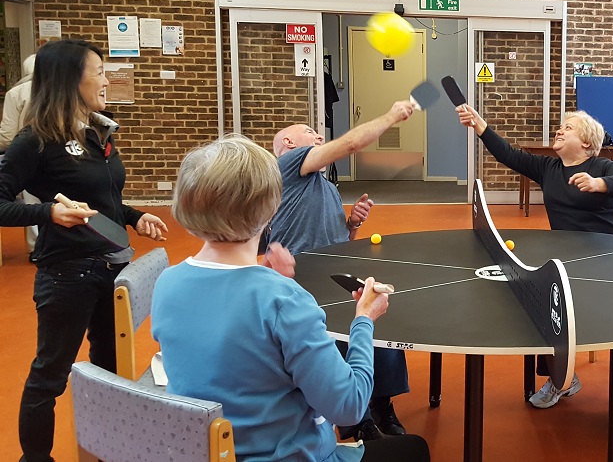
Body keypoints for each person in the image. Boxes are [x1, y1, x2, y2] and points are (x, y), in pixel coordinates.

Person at [152, 135, 429, 462]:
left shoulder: (167, 282)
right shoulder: (285, 300)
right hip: (286, 456)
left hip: (208, 452)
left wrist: (268, 279)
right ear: (270, 207)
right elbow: (349, 407)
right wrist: (364, 320)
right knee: (416, 450)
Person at [0, 39, 169, 462]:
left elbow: (102, 195)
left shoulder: (96, 130)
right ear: (70, 79)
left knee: (109, 370)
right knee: (49, 377)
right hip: (68, 275)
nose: (107, 80)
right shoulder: (35, 140)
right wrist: (48, 212)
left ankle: (106, 448)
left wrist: (132, 215)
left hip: (113, 269)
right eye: (99, 71)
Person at [456, 105, 613, 415]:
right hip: (568, 259)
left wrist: (601, 184)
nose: (559, 130)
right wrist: (480, 125)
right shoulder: (548, 168)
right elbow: (508, 154)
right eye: (560, 126)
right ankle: (563, 379)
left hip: (608, 256)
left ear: (586, 142)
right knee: (541, 303)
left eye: (568, 128)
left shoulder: (603, 166)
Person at [269, 105, 414, 438]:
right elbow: (349, 144)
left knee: (382, 317)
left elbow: (343, 239)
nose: (318, 135)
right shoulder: (285, 165)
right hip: (301, 275)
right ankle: (357, 420)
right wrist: (391, 116)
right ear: (289, 142)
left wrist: (353, 223)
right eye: (309, 131)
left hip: (335, 269)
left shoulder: (325, 186)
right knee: (339, 335)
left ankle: (381, 403)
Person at [0, 54, 41, 254]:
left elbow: (7, 135)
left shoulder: (15, 93)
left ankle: (37, 248)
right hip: (63, 153)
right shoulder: (65, 89)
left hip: (26, 153)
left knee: (32, 199)